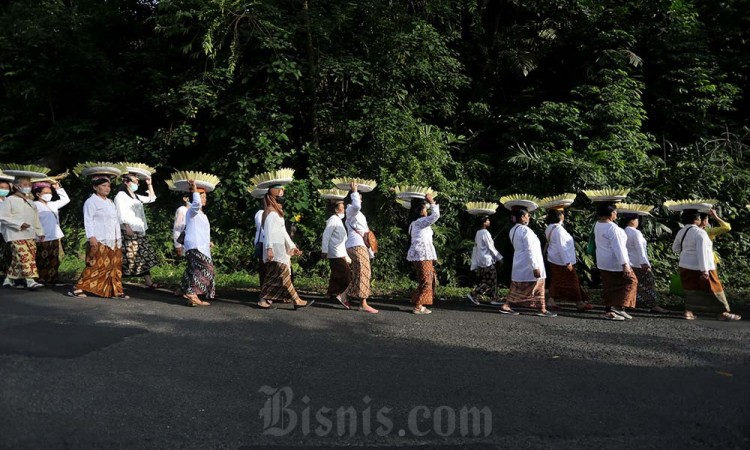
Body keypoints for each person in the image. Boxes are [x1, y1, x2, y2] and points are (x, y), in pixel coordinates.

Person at [674, 210, 740, 321]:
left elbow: (675, 248)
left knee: (690, 289)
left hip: (685, 265)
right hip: (703, 266)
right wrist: (704, 270)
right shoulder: (700, 233)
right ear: (696, 220)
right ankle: (722, 312)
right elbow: (702, 252)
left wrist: (687, 253)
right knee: (715, 288)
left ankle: (688, 312)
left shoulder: (681, 231)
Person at [68, 175, 128, 298]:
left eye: (109, 186)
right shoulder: (91, 202)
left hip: (114, 239)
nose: (107, 188)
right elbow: (88, 220)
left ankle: (115, 290)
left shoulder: (110, 202)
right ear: (95, 187)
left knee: (114, 265)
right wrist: (91, 236)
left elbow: (115, 220)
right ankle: (78, 288)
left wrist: (119, 236)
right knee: (97, 264)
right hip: (100, 238)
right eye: (104, 186)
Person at [258, 185, 312, 310]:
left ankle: (262, 299)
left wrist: (292, 247)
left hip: (280, 247)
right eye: (280, 190)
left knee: (272, 276)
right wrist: (269, 248)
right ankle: (296, 299)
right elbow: (268, 232)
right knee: (284, 274)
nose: (282, 192)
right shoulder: (270, 212)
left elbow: (284, 233)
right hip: (275, 248)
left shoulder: (276, 213)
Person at [499, 207, 555, 317]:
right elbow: (530, 249)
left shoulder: (513, 230)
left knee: (518, 286)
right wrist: (535, 266)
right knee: (537, 285)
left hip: (520, 261)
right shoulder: (525, 230)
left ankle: (509, 304)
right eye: (527, 215)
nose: (529, 217)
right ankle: (542, 308)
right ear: (522, 217)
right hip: (529, 262)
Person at [114, 173, 160, 289]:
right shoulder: (121, 196)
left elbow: (152, 198)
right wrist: (126, 226)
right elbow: (120, 212)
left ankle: (148, 282)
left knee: (143, 256)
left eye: (137, 182)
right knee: (128, 258)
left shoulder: (136, 196)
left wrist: (149, 184)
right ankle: (115, 281)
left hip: (139, 230)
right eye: (134, 182)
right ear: (126, 182)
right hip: (128, 230)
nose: (137, 184)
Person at [0, 175, 45, 289]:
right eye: (25, 185)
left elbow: (36, 219)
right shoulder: (9, 200)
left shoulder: (31, 202)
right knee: (25, 256)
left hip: (30, 233)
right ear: (16, 186)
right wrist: (19, 224)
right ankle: (30, 280)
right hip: (15, 233)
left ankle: (9, 279)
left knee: (19, 258)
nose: (28, 187)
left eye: (29, 185)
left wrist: (40, 232)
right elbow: (3, 217)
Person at [619, 213, 669, 314]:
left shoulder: (622, 232)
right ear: (633, 221)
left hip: (628, 263)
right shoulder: (635, 233)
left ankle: (628, 303)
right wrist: (645, 263)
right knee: (648, 284)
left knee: (629, 284)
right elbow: (640, 249)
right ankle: (653, 305)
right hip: (638, 263)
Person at [544, 208, 593, 311]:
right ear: (560, 216)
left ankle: (551, 300)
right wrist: (567, 262)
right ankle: (579, 302)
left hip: (554, 259)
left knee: (556, 280)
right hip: (562, 261)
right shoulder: (559, 230)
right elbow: (562, 247)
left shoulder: (550, 227)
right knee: (572, 281)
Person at [594, 203, 636, 321]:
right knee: (631, 281)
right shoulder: (613, 228)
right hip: (615, 262)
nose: (616, 214)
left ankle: (609, 310)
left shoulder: (597, 224)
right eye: (615, 212)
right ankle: (619, 306)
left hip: (603, 261)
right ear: (611, 214)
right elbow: (619, 247)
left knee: (609, 286)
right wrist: (625, 264)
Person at [344, 183, 378, 314]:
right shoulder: (351, 209)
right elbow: (357, 205)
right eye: (358, 196)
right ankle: (363, 303)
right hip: (356, 244)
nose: (360, 198)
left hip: (359, 244)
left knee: (359, 273)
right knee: (365, 272)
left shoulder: (357, 213)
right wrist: (354, 191)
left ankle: (344, 295)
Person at [181, 180, 215, 306]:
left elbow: (201, 230)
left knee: (193, 269)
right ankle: (192, 292)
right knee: (207, 269)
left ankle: (187, 291)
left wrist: (208, 242)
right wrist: (194, 190)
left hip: (198, 244)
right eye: (202, 197)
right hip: (195, 245)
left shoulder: (201, 214)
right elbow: (195, 203)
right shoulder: (192, 210)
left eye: (205, 197)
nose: (204, 200)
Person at [407, 194, 440, 314]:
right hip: (422, 255)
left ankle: (417, 300)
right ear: (420, 211)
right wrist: (432, 202)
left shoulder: (414, 223)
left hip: (420, 255)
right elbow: (435, 216)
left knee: (424, 279)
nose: (426, 210)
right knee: (427, 280)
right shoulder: (420, 222)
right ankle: (418, 305)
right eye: (425, 208)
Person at [32, 180, 70, 285]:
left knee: (53, 259)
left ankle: (52, 278)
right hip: (41, 237)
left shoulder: (52, 205)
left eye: (50, 192)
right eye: (46, 193)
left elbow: (66, 199)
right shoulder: (33, 205)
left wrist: (58, 188)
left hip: (54, 235)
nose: (49, 195)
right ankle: (40, 279)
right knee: (41, 259)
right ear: (38, 194)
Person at [321, 199, 352, 308]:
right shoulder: (333, 219)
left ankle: (331, 293)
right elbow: (326, 235)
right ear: (335, 209)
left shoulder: (338, 220)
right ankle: (342, 294)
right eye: (341, 208)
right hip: (335, 252)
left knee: (337, 273)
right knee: (345, 274)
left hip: (340, 251)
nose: (343, 210)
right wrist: (324, 250)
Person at [467, 215, 503, 305]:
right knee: (490, 280)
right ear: (484, 223)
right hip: (487, 260)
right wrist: (499, 258)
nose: (489, 221)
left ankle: (494, 298)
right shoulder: (485, 233)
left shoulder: (478, 233)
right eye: (487, 220)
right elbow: (491, 247)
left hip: (482, 260)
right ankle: (473, 294)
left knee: (492, 279)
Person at [0, 171, 14, 278]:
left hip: (7, 231)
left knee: (8, 253)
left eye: (6, 188)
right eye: (1, 187)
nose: (4, 190)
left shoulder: (10, 201)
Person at [172, 191, 190, 258]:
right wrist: (177, 245)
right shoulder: (182, 210)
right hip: (185, 242)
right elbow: (177, 227)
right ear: (185, 199)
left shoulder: (195, 211)